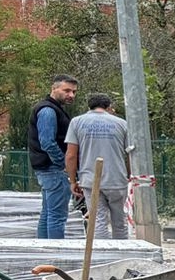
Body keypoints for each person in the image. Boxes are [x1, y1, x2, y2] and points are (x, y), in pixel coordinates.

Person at [64, 93, 133, 238]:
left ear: (89, 106)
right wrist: (128, 175)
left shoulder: (77, 122)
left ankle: (102, 251)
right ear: (109, 106)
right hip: (117, 179)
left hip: (91, 180)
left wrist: (73, 180)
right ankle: (122, 250)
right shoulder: (122, 124)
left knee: (98, 220)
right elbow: (130, 155)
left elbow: (71, 155)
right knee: (119, 221)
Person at [27, 76, 79, 238]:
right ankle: (56, 251)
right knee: (57, 216)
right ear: (54, 88)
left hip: (47, 168)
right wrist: (64, 164)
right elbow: (47, 142)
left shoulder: (52, 109)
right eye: (67, 90)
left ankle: (44, 249)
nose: (71, 95)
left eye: (74, 92)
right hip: (53, 169)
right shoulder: (48, 111)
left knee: (48, 213)